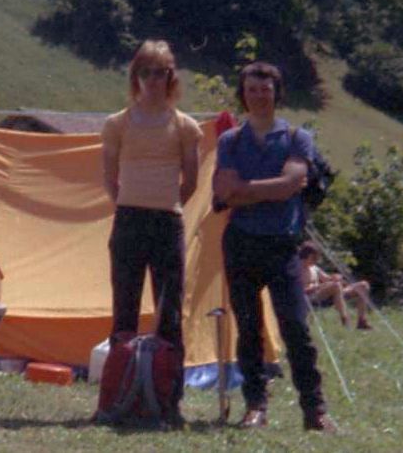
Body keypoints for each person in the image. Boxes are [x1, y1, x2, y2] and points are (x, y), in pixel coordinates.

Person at [212, 61, 337, 433]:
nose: (258, 97)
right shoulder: (230, 140)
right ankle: (255, 407)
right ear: (243, 94)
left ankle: (314, 411)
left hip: (283, 247)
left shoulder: (298, 137)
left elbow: (291, 183)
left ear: (276, 94)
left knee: (295, 327)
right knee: (248, 330)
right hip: (241, 244)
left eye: (265, 90)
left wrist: (245, 191)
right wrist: (275, 189)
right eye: (252, 90)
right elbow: (227, 192)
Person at [100, 40, 202, 427]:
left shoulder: (185, 127)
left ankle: (168, 402)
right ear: (135, 77)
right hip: (128, 220)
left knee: (169, 313)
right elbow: (110, 177)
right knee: (123, 310)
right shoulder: (117, 124)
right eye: (146, 72)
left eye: (161, 73)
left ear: (170, 77)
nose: (154, 80)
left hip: (167, 223)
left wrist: (166, 205)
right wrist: (128, 202)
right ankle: (114, 398)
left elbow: (190, 181)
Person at [300, 242, 372, 330]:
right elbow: (299, 290)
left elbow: (327, 278)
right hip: (312, 297)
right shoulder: (297, 269)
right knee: (335, 286)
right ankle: (345, 319)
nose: (316, 260)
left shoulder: (314, 268)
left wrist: (335, 278)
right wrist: (319, 286)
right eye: (314, 258)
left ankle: (362, 321)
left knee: (363, 285)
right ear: (307, 255)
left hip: (330, 293)